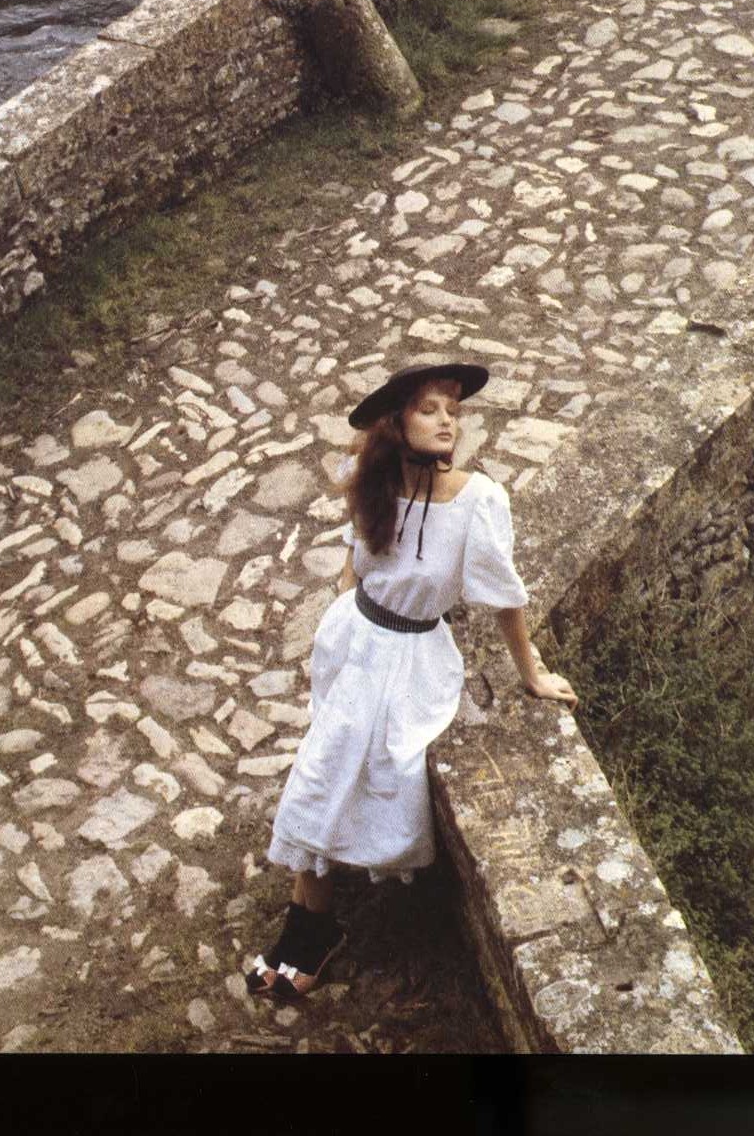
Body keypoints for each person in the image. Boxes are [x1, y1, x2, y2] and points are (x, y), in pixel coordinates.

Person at [245, 357, 576, 1002]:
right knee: (320, 771)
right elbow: (357, 561)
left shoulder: (479, 501)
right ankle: (306, 931)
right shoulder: (375, 482)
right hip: (355, 641)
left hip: (413, 659)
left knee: (349, 774)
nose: (447, 421)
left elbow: (506, 598)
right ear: (397, 424)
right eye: (430, 410)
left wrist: (532, 673)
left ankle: (310, 933)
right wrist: (342, 620)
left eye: (454, 410)